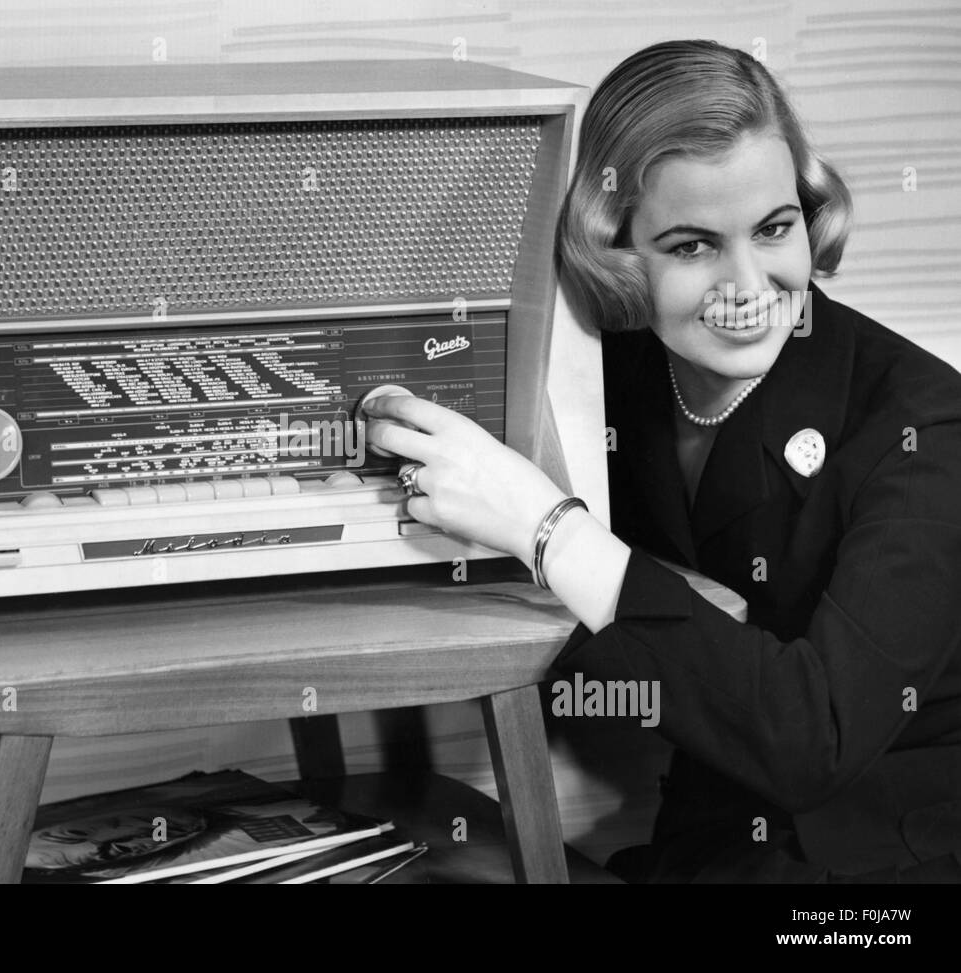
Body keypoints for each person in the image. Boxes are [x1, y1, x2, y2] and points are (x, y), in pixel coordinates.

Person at [362, 39, 961, 882]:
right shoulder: (622, 376)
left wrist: (550, 531)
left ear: (811, 212)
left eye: (774, 228)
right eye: (691, 246)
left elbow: (812, 739)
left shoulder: (928, 425)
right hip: (708, 853)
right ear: (616, 251)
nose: (748, 283)